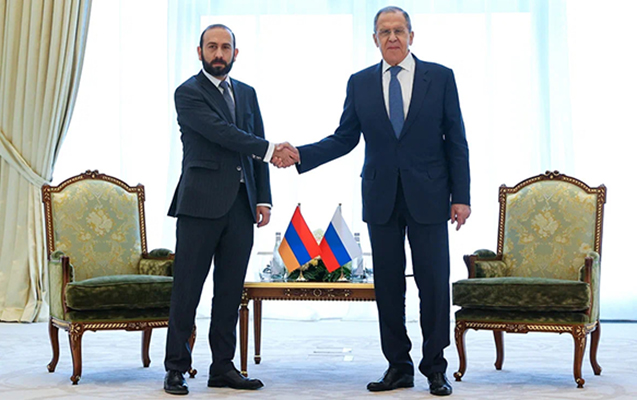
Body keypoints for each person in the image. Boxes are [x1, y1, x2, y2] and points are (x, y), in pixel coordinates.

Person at [277, 6, 470, 396]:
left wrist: (461, 197)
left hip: (430, 196)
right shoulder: (360, 82)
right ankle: (398, 366)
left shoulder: (440, 77)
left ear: (412, 36)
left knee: (434, 285)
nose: (392, 37)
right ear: (375, 39)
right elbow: (345, 137)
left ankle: (435, 368)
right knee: (388, 287)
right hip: (382, 198)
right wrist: (301, 155)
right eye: (385, 32)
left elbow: (456, 139)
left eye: (399, 30)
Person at [163, 24, 298, 395]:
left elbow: (255, 144)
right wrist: (270, 149)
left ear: (236, 53)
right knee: (187, 289)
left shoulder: (247, 93)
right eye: (212, 47)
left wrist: (263, 197)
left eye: (225, 47)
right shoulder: (188, 93)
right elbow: (221, 132)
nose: (219, 53)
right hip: (199, 204)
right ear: (200, 52)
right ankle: (175, 368)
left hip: (241, 206)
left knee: (229, 291)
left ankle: (222, 367)